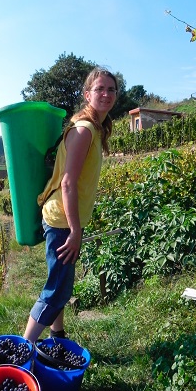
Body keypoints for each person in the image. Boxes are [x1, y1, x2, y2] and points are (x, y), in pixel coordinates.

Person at [23, 67, 117, 343]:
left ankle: (57, 336)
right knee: (57, 289)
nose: (106, 94)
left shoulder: (93, 127)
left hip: (63, 216)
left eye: (111, 89)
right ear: (87, 94)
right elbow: (67, 183)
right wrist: (75, 231)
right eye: (100, 89)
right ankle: (23, 349)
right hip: (62, 219)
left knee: (62, 281)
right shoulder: (85, 129)